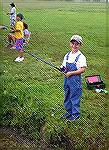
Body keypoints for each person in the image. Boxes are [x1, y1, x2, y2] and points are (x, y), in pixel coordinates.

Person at [60, 35, 87, 122]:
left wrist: (71, 73)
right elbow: (64, 66)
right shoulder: (67, 55)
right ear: (70, 44)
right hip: (67, 79)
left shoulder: (81, 57)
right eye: (73, 43)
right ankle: (69, 111)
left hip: (75, 81)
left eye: (77, 44)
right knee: (67, 95)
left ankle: (75, 115)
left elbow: (83, 69)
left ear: (80, 45)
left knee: (74, 96)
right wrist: (63, 70)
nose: (74, 46)